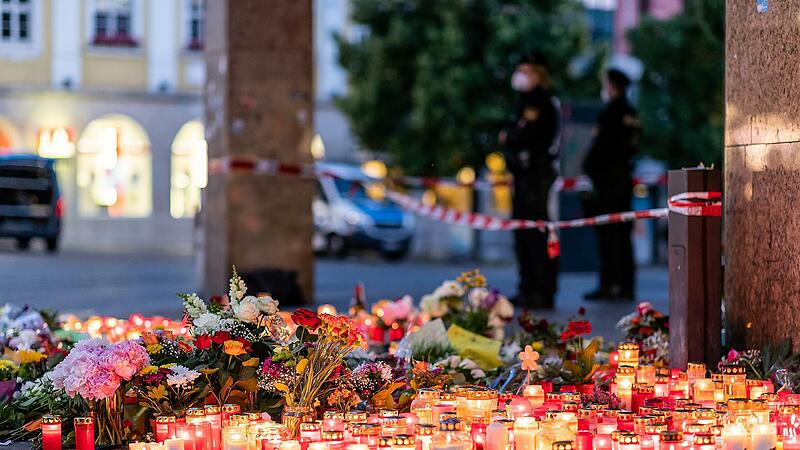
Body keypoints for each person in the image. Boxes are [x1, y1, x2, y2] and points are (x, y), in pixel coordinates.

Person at [499, 52, 560, 309]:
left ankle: (542, 290)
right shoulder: (522, 102)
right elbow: (510, 134)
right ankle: (527, 287)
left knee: (537, 233)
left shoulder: (544, 103)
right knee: (522, 234)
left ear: (539, 73)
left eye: (527, 69)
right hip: (522, 175)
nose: (522, 75)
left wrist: (513, 136)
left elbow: (524, 136)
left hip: (537, 176)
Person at [583, 68, 642, 301]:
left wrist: (589, 168)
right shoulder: (632, 113)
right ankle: (625, 285)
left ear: (612, 86)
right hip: (624, 180)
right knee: (623, 235)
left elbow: (601, 149)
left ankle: (609, 284)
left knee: (608, 236)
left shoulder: (610, 114)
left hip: (607, 182)